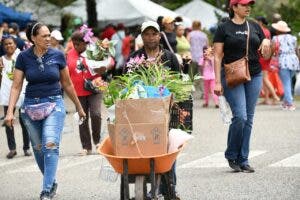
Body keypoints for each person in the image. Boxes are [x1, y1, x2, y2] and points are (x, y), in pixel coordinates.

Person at [4, 22, 86, 200]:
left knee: (50, 145)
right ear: (33, 38)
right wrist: (10, 111)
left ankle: (46, 190)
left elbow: (67, 84)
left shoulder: (58, 55)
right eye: (44, 36)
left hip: (54, 104)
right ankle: (52, 181)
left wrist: (79, 108)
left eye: (49, 35)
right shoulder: (23, 58)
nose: (49, 39)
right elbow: (16, 86)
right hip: (30, 107)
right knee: (39, 149)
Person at [213, 0, 271, 173]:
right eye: (244, 4)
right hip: (232, 75)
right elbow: (217, 56)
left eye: (249, 5)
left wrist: (267, 42)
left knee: (249, 118)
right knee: (240, 116)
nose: (248, 7)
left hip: (254, 74)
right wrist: (217, 81)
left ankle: (243, 159)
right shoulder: (224, 28)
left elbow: (266, 51)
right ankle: (231, 154)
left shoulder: (254, 26)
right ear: (234, 7)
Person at [125, 20, 179, 198]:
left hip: (164, 110)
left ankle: (169, 186)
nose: (150, 37)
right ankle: (150, 186)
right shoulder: (134, 58)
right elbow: (127, 84)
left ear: (159, 35)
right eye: (146, 34)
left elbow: (178, 83)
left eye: (154, 34)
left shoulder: (169, 57)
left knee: (168, 147)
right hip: (141, 112)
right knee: (145, 145)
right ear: (142, 36)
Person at [67, 30, 104, 156]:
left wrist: (103, 69)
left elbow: (109, 63)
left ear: (86, 43)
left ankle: (97, 141)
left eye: (80, 44)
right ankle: (86, 147)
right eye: (74, 44)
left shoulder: (93, 51)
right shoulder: (68, 55)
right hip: (77, 91)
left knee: (96, 114)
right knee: (82, 118)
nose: (77, 47)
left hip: (95, 88)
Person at [0, 35, 32, 159]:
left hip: (22, 92)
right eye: (6, 44)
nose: (9, 46)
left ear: (15, 44)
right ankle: (12, 149)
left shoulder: (21, 57)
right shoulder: (1, 60)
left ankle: (26, 147)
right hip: (7, 94)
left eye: (11, 43)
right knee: (9, 121)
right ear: (3, 47)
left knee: (25, 121)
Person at [271, 20, 300, 110]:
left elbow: (273, 51)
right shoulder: (293, 38)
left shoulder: (275, 38)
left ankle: (290, 104)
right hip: (294, 61)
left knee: (286, 82)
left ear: (278, 30)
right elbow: (296, 50)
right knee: (288, 82)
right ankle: (286, 102)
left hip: (283, 61)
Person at [255, 16, 281, 105]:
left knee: (265, 78)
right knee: (264, 78)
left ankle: (274, 96)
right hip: (267, 56)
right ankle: (266, 98)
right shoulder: (267, 31)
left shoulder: (259, 30)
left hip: (261, 55)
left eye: (256, 21)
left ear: (260, 22)